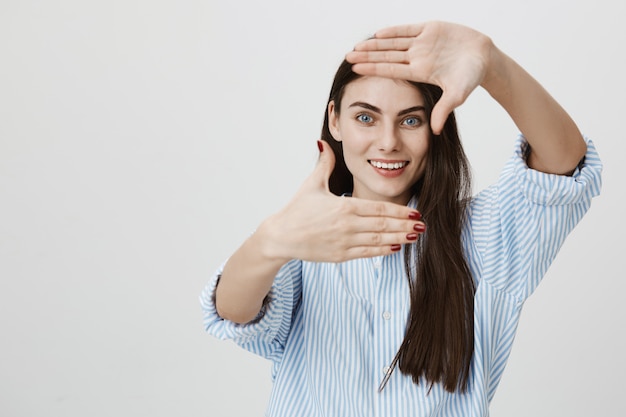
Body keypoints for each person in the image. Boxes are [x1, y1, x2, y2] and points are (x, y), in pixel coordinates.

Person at [200, 21, 602, 416]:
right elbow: (235, 312)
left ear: (435, 127)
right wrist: (270, 241)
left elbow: (563, 165)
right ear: (335, 119)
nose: (388, 141)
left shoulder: (480, 234)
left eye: (411, 120)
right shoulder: (303, 236)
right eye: (365, 118)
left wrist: (492, 65)